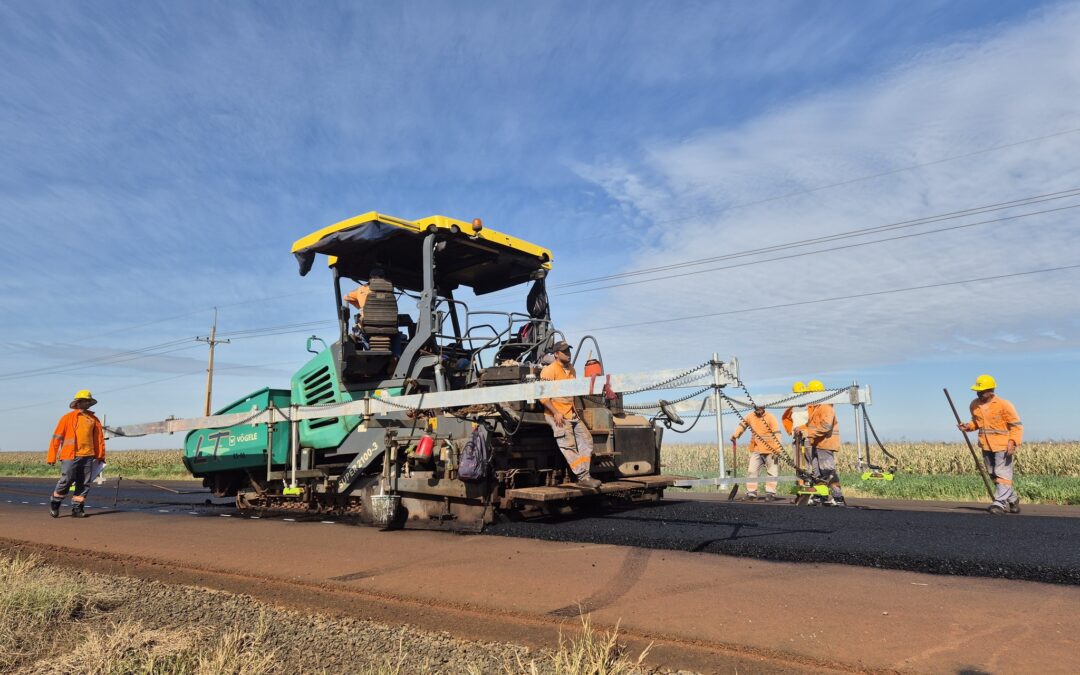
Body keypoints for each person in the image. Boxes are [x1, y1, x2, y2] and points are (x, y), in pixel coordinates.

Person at [539, 340, 602, 489]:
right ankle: (583, 477)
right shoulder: (549, 370)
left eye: (569, 351)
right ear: (556, 354)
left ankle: (585, 475)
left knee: (586, 441)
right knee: (569, 445)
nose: (568, 354)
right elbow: (543, 397)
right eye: (564, 351)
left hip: (571, 414)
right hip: (557, 415)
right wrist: (555, 412)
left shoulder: (571, 370)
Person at [958, 374, 1023, 515]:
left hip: (1003, 446)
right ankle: (1013, 498)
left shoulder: (1004, 405)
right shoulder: (974, 405)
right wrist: (967, 426)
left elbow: (1016, 426)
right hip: (986, 445)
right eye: (977, 391)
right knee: (993, 474)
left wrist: (1013, 442)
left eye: (981, 391)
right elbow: (977, 423)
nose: (978, 393)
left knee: (1002, 474)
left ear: (990, 391)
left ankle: (999, 503)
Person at [46, 389, 106, 518]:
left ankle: (77, 509)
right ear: (78, 403)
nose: (88, 403)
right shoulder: (67, 418)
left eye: (89, 401)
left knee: (84, 483)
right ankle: (55, 502)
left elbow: (99, 439)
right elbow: (56, 437)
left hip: (88, 455)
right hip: (70, 455)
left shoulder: (94, 419)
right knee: (66, 480)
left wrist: (100, 455)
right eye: (85, 401)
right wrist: (52, 456)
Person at [796, 380, 845, 506]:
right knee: (817, 472)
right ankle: (821, 496)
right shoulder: (817, 408)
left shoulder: (825, 407)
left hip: (825, 444)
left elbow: (826, 426)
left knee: (827, 471)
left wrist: (808, 433)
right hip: (817, 444)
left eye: (810, 393)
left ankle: (838, 497)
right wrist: (800, 429)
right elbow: (809, 425)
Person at [731, 406, 783, 500]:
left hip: (770, 450)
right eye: (756, 408)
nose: (758, 410)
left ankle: (770, 493)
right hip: (756, 449)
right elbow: (743, 425)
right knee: (752, 470)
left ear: (764, 408)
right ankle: (751, 493)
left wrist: (777, 449)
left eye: (760, 408)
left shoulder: (770, 417)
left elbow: (777, 432)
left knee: (772, 472)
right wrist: (736, 435)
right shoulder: (750, 416)